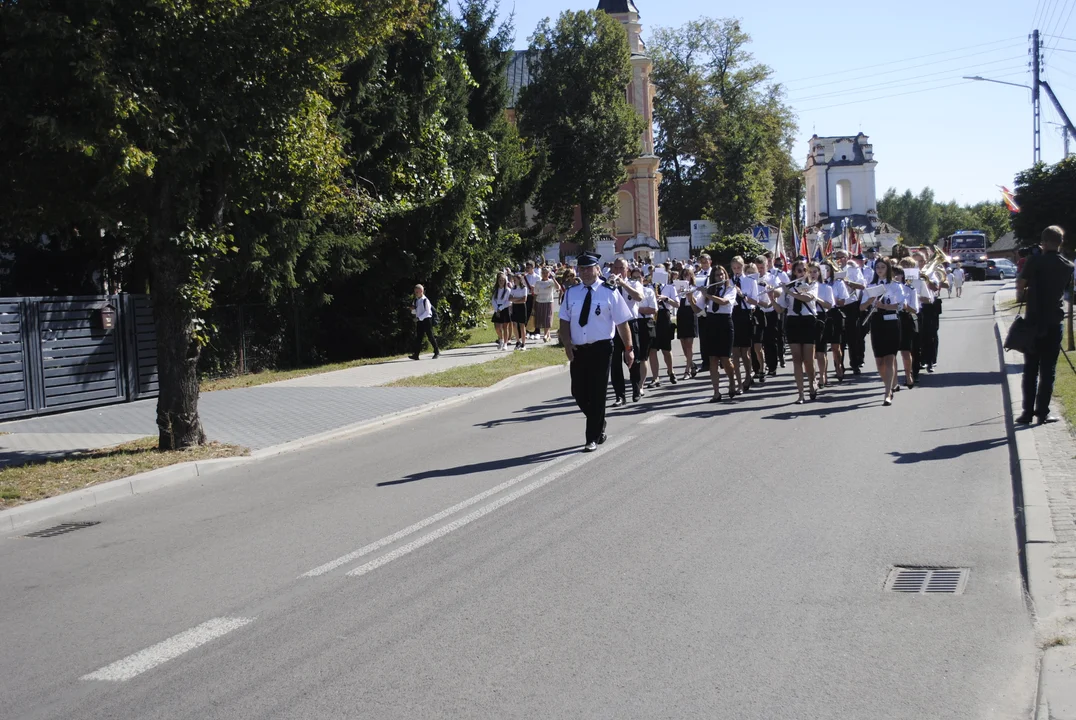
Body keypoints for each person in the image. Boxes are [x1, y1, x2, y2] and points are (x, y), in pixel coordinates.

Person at [559, 252, 635, 452]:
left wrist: (628, 348)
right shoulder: (571, 293)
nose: (584, 272)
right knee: (578, 392)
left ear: (598, 269)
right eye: (581, 268)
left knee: (598, 392)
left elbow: (622, 323)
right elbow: (564, 321)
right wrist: (567, 343)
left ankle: (591, 437)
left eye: (588, 268)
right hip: (578, 349)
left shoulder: (609, 291)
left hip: (602, 348)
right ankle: (599, 422)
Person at [1015, 225, 1074, 425]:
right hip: (1053, 322)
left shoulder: (1034, 261)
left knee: (1030, 369)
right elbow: (1064, 289)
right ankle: (1043, 413)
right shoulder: (1067, 266)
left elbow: (1021, 282)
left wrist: (1024, 293)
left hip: (1033, 321)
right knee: (1048, 371)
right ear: (1060, 242)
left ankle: (1026, 413)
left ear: (1044, 241)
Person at [695, 265, 737, 402]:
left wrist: (707, 294)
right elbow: (698, 309)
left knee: (725, 359)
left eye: (722, 275)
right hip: (711, 323)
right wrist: (690, 298)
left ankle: (732, 380)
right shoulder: (710, 290)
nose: (720, 277)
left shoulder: (731, 288)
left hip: (725, 323)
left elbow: (724, 302)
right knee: (713, 359)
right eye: (717, 275)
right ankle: (716, 392)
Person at [864, 260, 902, 406]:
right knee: (880, 362)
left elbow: (900, 305)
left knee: (889, 358)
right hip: (877, 322)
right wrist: (870, 301)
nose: (879, 269)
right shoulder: (871, 286)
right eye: (877, 267)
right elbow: (862, 307)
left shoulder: (894, 285)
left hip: (891, 322)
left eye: (882, 267)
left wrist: (884, 306)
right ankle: (889, 383)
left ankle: (888, 392)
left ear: (888, 269)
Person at [608, 257, 645, 404]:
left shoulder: (634, 283)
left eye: (621, 268)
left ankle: (636, 389)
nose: (618, 271)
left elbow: (639, 297)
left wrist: (623, 284)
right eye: (615, 268)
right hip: (614, 326)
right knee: (615, 361)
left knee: (633, 359)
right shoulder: (609, 285)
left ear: (627, 270)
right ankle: (620, 395)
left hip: (631, 324)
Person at [781, 260, 819, 404]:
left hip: (808, 321)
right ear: (794, 272)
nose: (801, 273)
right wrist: (773, 296)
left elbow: (807, 298)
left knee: (808, 360)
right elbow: (781, 308)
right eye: (798, 270)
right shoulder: (789, 286)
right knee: (797, 359)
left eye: (804, 270)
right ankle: (801, 393)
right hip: (793, 321)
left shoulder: (813, 285)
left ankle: (812, 382)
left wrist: (789, 292)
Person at [648, 269, 679, 387]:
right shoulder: (649, 287)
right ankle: (655, 377)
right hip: (652, 317)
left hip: (664, 316)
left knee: (666, 349)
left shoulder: (670, 287)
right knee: (653, 349)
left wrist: (666, 299)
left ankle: (671, 371)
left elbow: (677, 304)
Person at [895, 260, 921, 390]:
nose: (895, 277)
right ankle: (893, 380)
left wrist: (906, 307)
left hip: (905, 319)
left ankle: (908, 375)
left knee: (906, 351)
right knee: (891, 353)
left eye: (898, 275)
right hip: (889, 320)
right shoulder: (887, 288)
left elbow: (915, 309)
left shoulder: (910, 289)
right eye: (893, 275)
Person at [677, 267, 699, 380]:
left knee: (689, 344)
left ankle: (687, 370)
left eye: (688, 275)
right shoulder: (678, 288)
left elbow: (697, 304)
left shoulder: (695, 288)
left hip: (691, 314)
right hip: (681, 314)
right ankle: (692, 364)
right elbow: (676, 303)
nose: (686, 277)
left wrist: (690, 296)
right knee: (683, 344)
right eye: (684, 275)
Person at [409, 284, 440, 360]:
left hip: (426, 320)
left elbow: (428, 312)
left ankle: (436, 351)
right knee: (419, 337)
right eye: (415, 292)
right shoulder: (415, 300)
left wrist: (419, 318)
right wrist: (412, 310)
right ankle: (416, 354)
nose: (416, 293)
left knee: (430, 336)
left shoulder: (425, 300)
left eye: (417, 292)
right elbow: (414, 312)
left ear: (421, 291)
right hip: (419, 320)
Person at [533, 267, 561, 343]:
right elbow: (535, 293)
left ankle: (545, 335)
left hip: (549, 302)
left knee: (547, 319)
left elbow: (558, 288)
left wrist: (554, 279)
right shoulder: (538, 282)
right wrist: (534, 304)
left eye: (547, 273)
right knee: (542, 319)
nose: (545, 274)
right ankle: (548, 335)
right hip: (540, 302)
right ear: (541, 274)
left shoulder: (551, 281)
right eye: (543, 273)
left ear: (549, 274)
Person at [491, 272, 512, 350]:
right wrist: (497, 309)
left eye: (503, 280)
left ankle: (505, 343)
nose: (501, 282)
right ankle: (501, 339)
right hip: (497, 309)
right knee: (497, 327)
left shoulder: (508, 290)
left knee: (505, 327)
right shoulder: (495, 290)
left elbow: (509, 301)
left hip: (504, 309)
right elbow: (493, 300)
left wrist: (501, 308)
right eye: (500, 280)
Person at [509, 274, 529, 350]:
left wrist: (515, 299)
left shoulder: (524, 288)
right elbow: (510, 298)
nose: (514, 281)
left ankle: (523, 343)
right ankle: (518, 341)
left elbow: (524, 299)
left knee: (522, 325)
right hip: (515, 307)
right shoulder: (513, 288)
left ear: (519, 280)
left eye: (515, 280)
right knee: (514, 324)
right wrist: (518, 299)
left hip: (521, 307)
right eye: (513, 280)